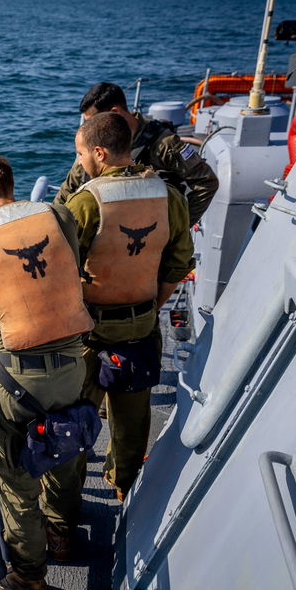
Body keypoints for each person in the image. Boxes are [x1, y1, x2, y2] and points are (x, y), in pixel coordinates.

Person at [0, 155, 94, 590]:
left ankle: (31, 580)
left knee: (16, 485)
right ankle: (63, 535)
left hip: (17, 380)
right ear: (10, 186)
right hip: (74, 362)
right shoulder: (58, 215)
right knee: (68, 450)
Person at [65, 113, 195, 501]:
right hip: (140, 324)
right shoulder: (167, 195)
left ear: (99, 153)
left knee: (75, 410)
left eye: (81, 153)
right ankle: (123, 485)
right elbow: (179, 263)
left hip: (91, 328)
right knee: (133, 415)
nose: (80, 160)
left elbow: (63, 269)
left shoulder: (86, 201)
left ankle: (68, 490)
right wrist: (150, 306)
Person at [53, 81, 219, 226]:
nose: (89, 128)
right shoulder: (93, 145)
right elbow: (68, 190)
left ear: (115, 112)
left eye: (93, 121)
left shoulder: (164, 145)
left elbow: (206, 182)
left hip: (147, 236)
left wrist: (175, 228)